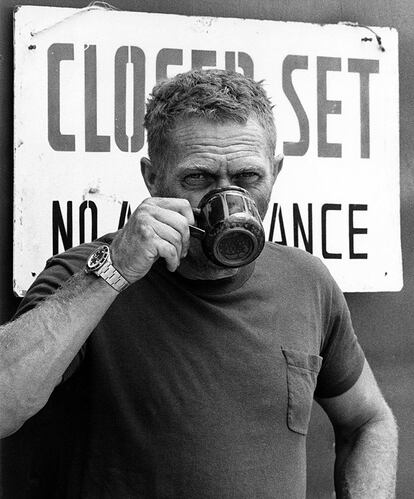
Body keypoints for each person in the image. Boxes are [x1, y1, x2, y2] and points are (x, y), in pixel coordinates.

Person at [0, 69, 397, 498]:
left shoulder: (305, 281)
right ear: (152, 178)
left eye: (248, 177)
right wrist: (114, 271)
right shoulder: (88, 275)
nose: (226, 197)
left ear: (276, 172)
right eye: (199, 178)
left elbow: (368, 422)